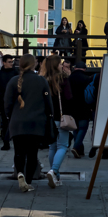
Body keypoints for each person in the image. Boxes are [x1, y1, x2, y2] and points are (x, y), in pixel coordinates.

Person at [3, 54, 53, 193]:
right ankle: (28, 181)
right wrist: (50, 115)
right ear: (33, 64)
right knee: (32, 154)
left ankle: (19, 173)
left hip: (17, 122)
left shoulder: (14, 81)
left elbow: (7, 103)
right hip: (36, 123)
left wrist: (9, 117)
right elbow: (48, 103)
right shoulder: (41, 81)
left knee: (19, 152)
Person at [41, 55, 72, 188]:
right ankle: (54, 171)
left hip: (48, 118)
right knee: (63, 146)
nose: (62, 65)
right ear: (55, 65)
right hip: (61, 116)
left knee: (52, 146)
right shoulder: (62, 79)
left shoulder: (43, 80)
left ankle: (56, 176)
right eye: (60, 64)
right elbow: (69, 97)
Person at [0, 54, 18, 151]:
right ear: (4, 62)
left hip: (15, 101)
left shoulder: (16, 73)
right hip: (4, 100)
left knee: (14, 121)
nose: (11, 63)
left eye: (12, 62)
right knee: (5, 122)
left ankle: (14, 140)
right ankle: (6, 142)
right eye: (9, 62)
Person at [66, 61, 93, 158]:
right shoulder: (87, 79)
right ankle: (76, 147)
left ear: (74, 68)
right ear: (84, 69)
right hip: (84, 106)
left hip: (71, 107)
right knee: (83, 128)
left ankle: (79, 150)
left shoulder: (69, 79)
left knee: (75, 128)